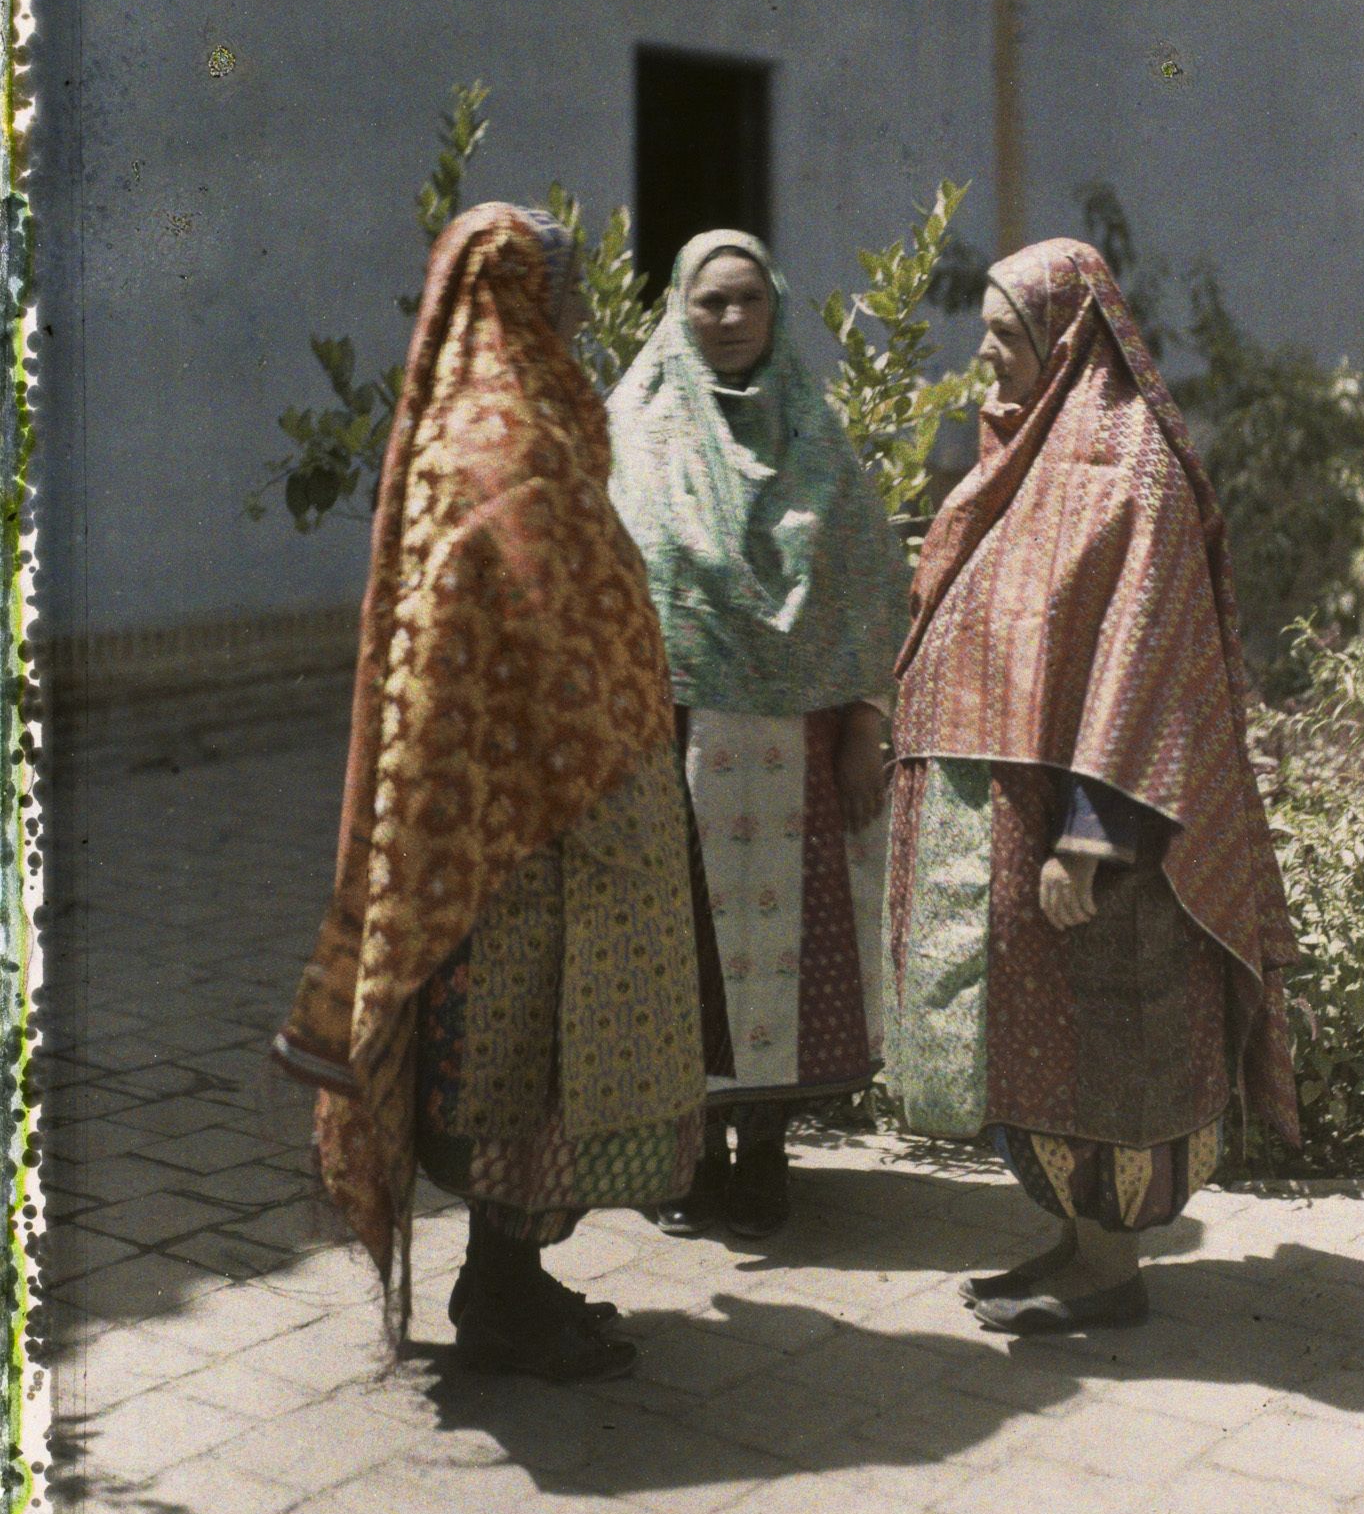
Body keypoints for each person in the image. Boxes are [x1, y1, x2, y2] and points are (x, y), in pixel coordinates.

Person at [273, 202, 716, 1382]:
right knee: (525, 1064)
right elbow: (540, 625)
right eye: (563, 288)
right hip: (532, 821)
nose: (577, 310)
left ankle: (504, 1276)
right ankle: (502, 1295)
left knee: (516, 1065)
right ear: (527, 294)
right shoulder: (505, 438)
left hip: (495, 812)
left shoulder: (472, 424)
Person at [886, 236, 1299, 1334]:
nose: (982, 354)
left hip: (1104, 836)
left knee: (1103, 1046)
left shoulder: (1131, 471)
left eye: (1005, 334)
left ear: (1067, 341)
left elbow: (1145, 666)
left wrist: (1086, 836)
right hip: (1031, 815)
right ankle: (1075, 1243)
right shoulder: (1026, 456)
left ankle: (1108, 1271)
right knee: (1041, 1053)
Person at [608, 230, 910, 1238]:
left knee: (782, 947)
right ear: (680, 312)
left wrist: (866, 726)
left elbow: (870, 584)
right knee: (685, 946)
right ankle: (686, 1149)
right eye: (710, 303)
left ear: (775, 307)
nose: (730, 320)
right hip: (675, 743)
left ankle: (765, 1152)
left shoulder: (815, 438)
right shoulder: (636, 434)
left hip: (795, 749)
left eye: (747, 301)